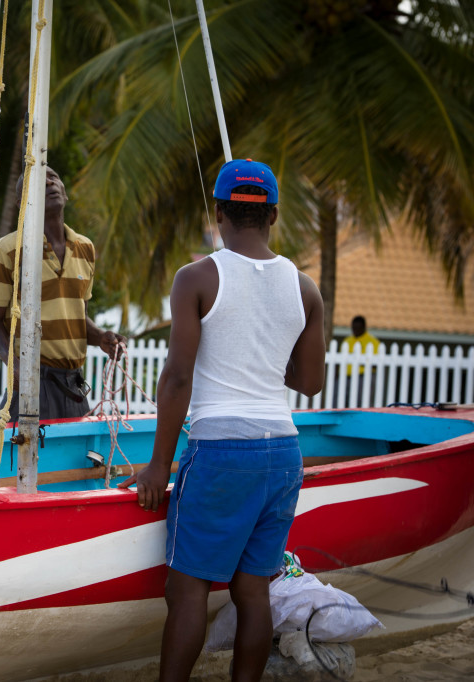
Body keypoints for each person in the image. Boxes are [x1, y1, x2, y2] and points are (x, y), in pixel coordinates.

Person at [119, 159, 325, 681]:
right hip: (282, 451)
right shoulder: (305, 289)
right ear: (273, 214)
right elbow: (309, 381)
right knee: (253, 590)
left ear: (218, 212)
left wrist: (157, 467)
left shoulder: (197, 277)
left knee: (187, 588)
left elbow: (177, 378)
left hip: (220, 452)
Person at [0, 166, 125, 421]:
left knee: (77, 461)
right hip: (31, 384)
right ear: (20, 202)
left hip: (75, 388)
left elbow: (77, 317)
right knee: (23, 460)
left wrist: (101, 337)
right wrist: (15, 367)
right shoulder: (7, 250)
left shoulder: (85, 248)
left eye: (54, 177)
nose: (49, 182)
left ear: (65, 194)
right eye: (38, 180)